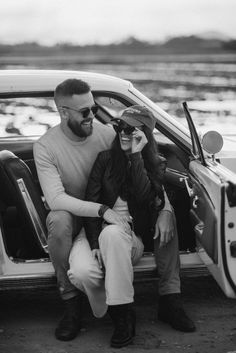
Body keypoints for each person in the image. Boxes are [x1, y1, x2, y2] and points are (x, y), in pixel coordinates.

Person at [68, 105, 196, 348]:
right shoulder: (105, 160)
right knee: (88, 265)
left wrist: (136, 156)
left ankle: (125, 314)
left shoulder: (155, 163)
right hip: (99, 231)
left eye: (132, 130)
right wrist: (95, 242)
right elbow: (91, 203)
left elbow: (146, 197)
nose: (124, 133)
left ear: (145, 136)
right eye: (120, 127)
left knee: (141, 224)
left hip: (130, 239)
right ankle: (118, 308)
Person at [33, 78, 130, 341]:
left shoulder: (107, 135)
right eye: (84, 112)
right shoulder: (45, 146)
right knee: (59, 218)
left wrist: (163, 207)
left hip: (106, 220)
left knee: (90, 263)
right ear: (63, 112)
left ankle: (121, 309)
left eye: (94, 108)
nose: (92, 116)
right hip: (77, 217)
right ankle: (71, 305)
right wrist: (100, 210)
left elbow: (134, 172)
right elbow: (55, 199)